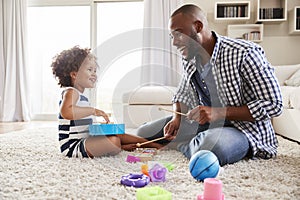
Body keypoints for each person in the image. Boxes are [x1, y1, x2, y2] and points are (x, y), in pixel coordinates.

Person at [136, 4, 283, 166]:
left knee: (211, 147)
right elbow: (182, 93)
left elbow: (274, 104)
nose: (174, 43)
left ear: (197, 26)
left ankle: (180, 145)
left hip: (243, 130)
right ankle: (193, 142)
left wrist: (219, 113)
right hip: (204, 125)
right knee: (144, 132)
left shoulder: (246, 53)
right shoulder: (189, 57)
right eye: (172, 36)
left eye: (178, 34)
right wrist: (176, 117)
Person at [51, 46, 162, 158]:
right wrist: (93, 111)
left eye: (95, 70)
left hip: (86, 138)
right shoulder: (71, 92)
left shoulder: (81, 96)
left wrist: (100, 127)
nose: (94, 74)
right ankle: (122, 147)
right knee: (114, 141)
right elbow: (67, 112)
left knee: (116, 132)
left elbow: (82, 124)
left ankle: (153, 144)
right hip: (73, 146)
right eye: (90, 70)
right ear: (74, 74)